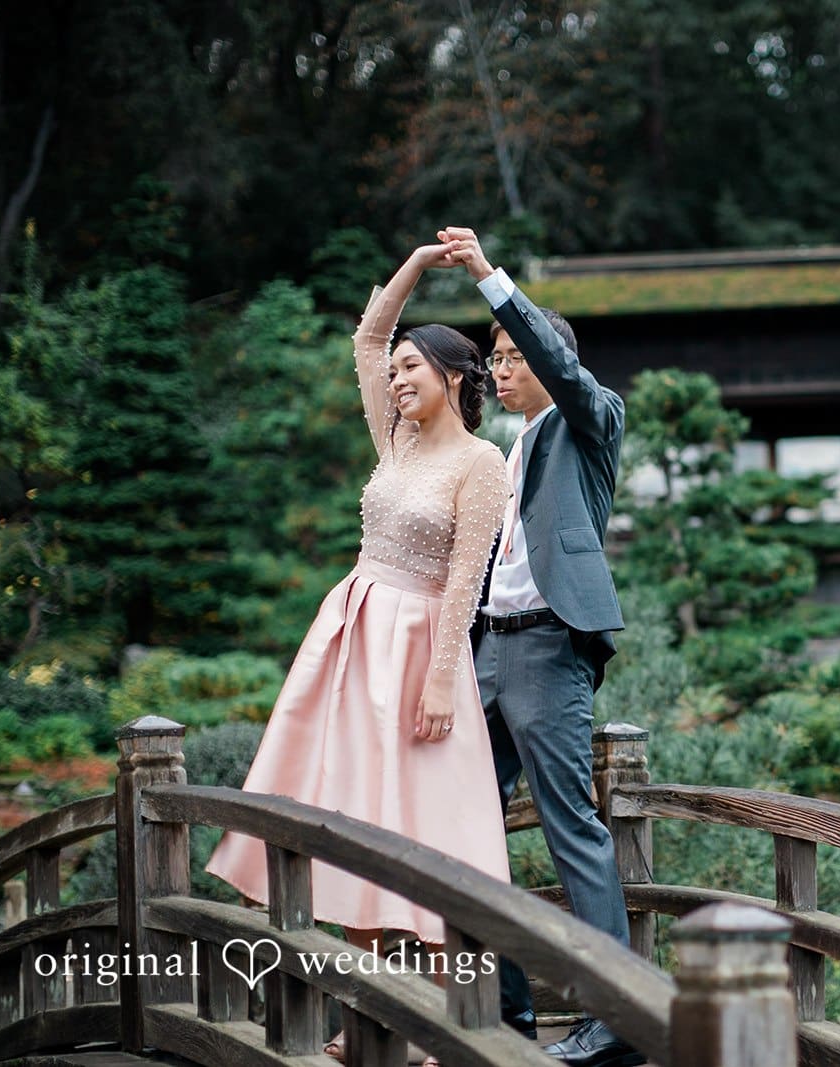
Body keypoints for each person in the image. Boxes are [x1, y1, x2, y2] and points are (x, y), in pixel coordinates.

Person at [204, 239, 511, 1064]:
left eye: (415, 369)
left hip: (421, 651)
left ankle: (463, 1026)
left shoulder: (481, 464)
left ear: (454, 377)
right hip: (352, 638)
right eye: (399, 371)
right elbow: (367, 339)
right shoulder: (398, 444)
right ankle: (367, 1017)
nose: (399, 378)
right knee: (354, 813)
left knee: (441, 827)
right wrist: (415, 264)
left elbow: (466, 582)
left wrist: (444, 678)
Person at [439, 225, 643, 1067]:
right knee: (460, 829)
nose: (501, 366)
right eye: (494, 356)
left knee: (571, 829)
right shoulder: (506, 450)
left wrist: (489, 277)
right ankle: (506, 1013)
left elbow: (558, 368)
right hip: (491, 647)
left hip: (552, 649)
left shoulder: (590, 422)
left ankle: (620, 1020)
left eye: (511, 352)